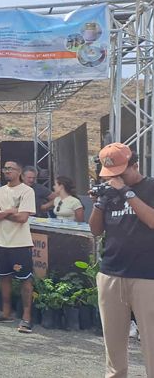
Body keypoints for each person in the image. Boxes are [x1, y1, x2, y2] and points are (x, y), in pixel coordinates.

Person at [88, 143, 154, 377]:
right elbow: (96, 230)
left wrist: (127, 192)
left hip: (147, 277)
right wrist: (99, 202)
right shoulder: (110, 191)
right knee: (114, 349)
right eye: (110, 175)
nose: (115, 179)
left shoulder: (150, 187)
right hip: (111, 274)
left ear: (135, 165)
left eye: (120, 173)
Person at [0, 160, 36, 334]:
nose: (7, 171)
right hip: (1, 242)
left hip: (20, 243)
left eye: (10, 169)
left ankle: (27, 317)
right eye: (5, 168)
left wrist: (0, 214)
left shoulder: (27, 191)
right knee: (4, 278)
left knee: (25, 280)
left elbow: (22, 218)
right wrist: (8, 211)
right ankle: (6, 312)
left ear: (19, 171)